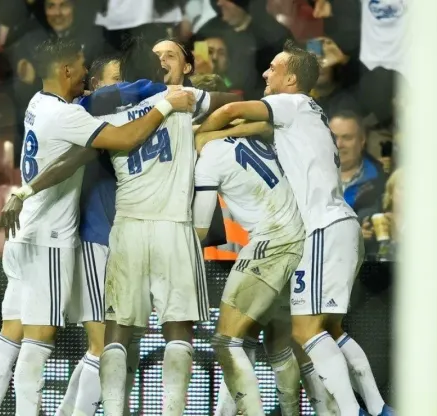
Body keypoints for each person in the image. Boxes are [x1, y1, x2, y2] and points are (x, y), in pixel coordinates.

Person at [0, 38, 194, 416]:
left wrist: (23, 192)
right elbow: (125, 136)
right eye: (82, 68)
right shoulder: (73, 114)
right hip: (51, 239)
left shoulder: (39, 104)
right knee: (41, 341)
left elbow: (77, 150)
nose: (89, 78)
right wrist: (167, 99)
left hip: (26, 233)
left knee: (10, 336)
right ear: (66, 71)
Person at [196, 40, 393, 416]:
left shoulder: (290, 103)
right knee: (331, 330)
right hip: (340, 223)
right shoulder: (308, 112)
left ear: (290, 78)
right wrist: (218, 135)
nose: (265, 73)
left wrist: (196, 136)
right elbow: (250, 124)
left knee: (304, 333)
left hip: (320, 228)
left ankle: (351, 412)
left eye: (272, 68)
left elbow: (235, 109)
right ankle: (378, 405)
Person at [94, 37, 213, 416]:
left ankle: (114, 410)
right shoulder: (184, 99)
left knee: (118, 328)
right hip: (173, 226)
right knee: (178, 328)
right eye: (158, 56)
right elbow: (226, 103)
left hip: (128, 227)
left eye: (170, 55)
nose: (163, 61)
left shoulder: (105, 111)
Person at [191, 124, 305, 415]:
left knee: (226, 341)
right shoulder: (258, 141)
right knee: (275, 344)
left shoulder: (210, 158)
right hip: (299, 242)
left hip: (270, 244)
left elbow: (200, 230)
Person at [54, 55, 121, 416]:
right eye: (115, 79)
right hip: (94, 238)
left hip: (115, 239)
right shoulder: (83, 111)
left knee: (104, 345)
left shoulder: (121, 114)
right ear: (94, 84)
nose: (122, 85)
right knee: (103, 345)